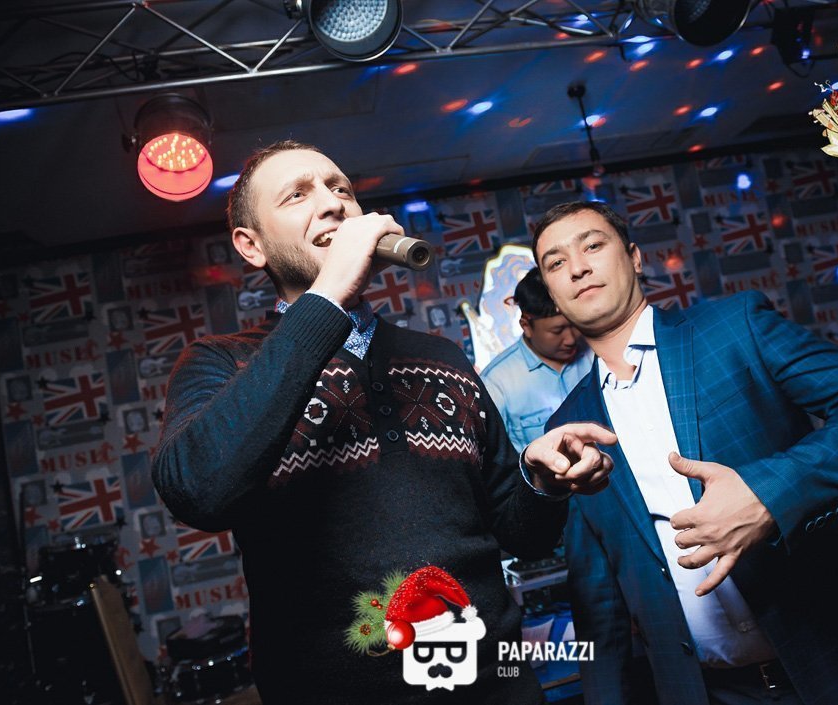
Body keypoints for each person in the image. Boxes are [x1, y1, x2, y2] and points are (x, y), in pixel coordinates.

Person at [151, 141, 615, 704]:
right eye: (297, 195)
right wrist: (327, 297)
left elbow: (522, 535)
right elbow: (196, 490)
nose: (332, 204)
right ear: (252, 246)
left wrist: (540, 481)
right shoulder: (222, 363)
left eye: (340, 189)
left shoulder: (442, 357)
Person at [533, 201, 838, 705]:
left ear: (634, 257)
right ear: (552, 294)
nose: (577, 267)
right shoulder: (567, 427)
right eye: (556, 262)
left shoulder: (734, 327)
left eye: (592, 245)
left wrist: (768, 493)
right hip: (713, 692)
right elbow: (598, 603)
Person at [482, 267, 593, 452]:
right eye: (557, 331)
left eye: (574, 324)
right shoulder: (496, 383)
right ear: (526, 326)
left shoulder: (596, 353)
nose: (571, 339)